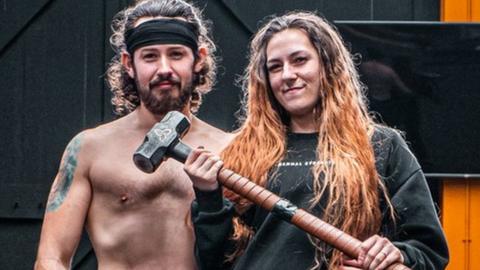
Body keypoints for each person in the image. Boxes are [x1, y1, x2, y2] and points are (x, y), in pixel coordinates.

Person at [184, 11, 449, 270]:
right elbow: (214, 261)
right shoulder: (243, 153)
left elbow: (429, 252)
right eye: (275, 67)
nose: (287, 74)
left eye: (299, 60)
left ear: (328, 65)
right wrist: (208, 199)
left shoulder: (381, 146)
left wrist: (396, 254)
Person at [35, 0, 232, 269]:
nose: (164, 68)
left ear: (198, 59)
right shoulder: (90, 149)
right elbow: (51, 258)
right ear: (129, 63)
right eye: (150, 56)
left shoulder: (231, 148)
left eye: (176, 54)